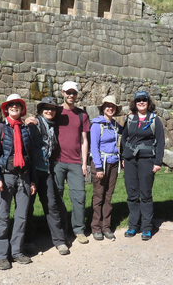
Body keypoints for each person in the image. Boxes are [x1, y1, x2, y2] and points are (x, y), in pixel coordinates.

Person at [0, 94, 37, 270]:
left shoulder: (25, 129)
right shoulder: (0, 128)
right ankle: (1, 255)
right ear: (6, 109)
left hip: (23, 177)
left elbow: (30, 156)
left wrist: (31, 180)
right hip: (6, 176)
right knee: (2, 216)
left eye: (18, 105)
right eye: (11, 105)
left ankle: (17, 251)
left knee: (21, 216)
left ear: (21, 108)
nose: (15, 107)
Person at [27, 96, 70, 255]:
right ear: (40, 110)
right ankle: (29, 240)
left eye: (52, 108)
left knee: (52, 205)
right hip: (31, 171)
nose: (49, 111)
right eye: (46, 108)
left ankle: (59, 241)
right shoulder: (34, 124)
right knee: (27, 207)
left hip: (46, 171)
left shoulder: (54, 126)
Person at [121, 91, 165, 241]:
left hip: (147, 160)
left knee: (145, 194)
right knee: (132, 194)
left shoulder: (154, 119)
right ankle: (133, 225)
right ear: (135, 102)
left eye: (144, 100)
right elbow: (124, 138)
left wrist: (158, 162)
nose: (141, 102)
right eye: (138, 100)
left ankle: (146, 227)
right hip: (130, 161)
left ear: (148, 102)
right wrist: (123, 156)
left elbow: (160, 141)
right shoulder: (130, 118)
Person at [54, 81, 90, 244]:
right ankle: (61, 231)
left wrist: (84, 163)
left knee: (79, 196)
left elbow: (84, 140)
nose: (71, 95)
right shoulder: (56, 112)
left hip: (75, 162)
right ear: (62, 92)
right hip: (58, 162)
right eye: (68, 92)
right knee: (57, 197)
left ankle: (78, 229)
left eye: (74, 93)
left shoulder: (82, 115)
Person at [89, 95, 123, 241]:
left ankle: (106, 226)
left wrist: (132, 116)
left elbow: (126, 132)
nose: (110, 108)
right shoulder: (96, 124)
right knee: (99, 195)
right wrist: (98, 167)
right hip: (101, 163)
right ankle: (96, 227)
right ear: (103, 108)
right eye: (107, 106)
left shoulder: (115, 125)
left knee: (108, 196)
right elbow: (94, 147)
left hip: (113, 162)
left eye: (112, 106)